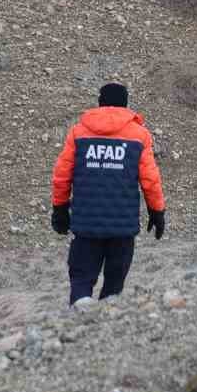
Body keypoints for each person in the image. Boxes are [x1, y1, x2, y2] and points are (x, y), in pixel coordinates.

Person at [50, 83, 165, 306]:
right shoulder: (139, 135)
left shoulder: (78, 132)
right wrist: (157, 211)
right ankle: (105, 326)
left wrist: (60, 209)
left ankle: (79, 317)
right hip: (123, 227)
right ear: (126, 104)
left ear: (100, 103)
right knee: (114, 284)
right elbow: (150, 180)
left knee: (82, 278)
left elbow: (61, 175)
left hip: (86, 224)